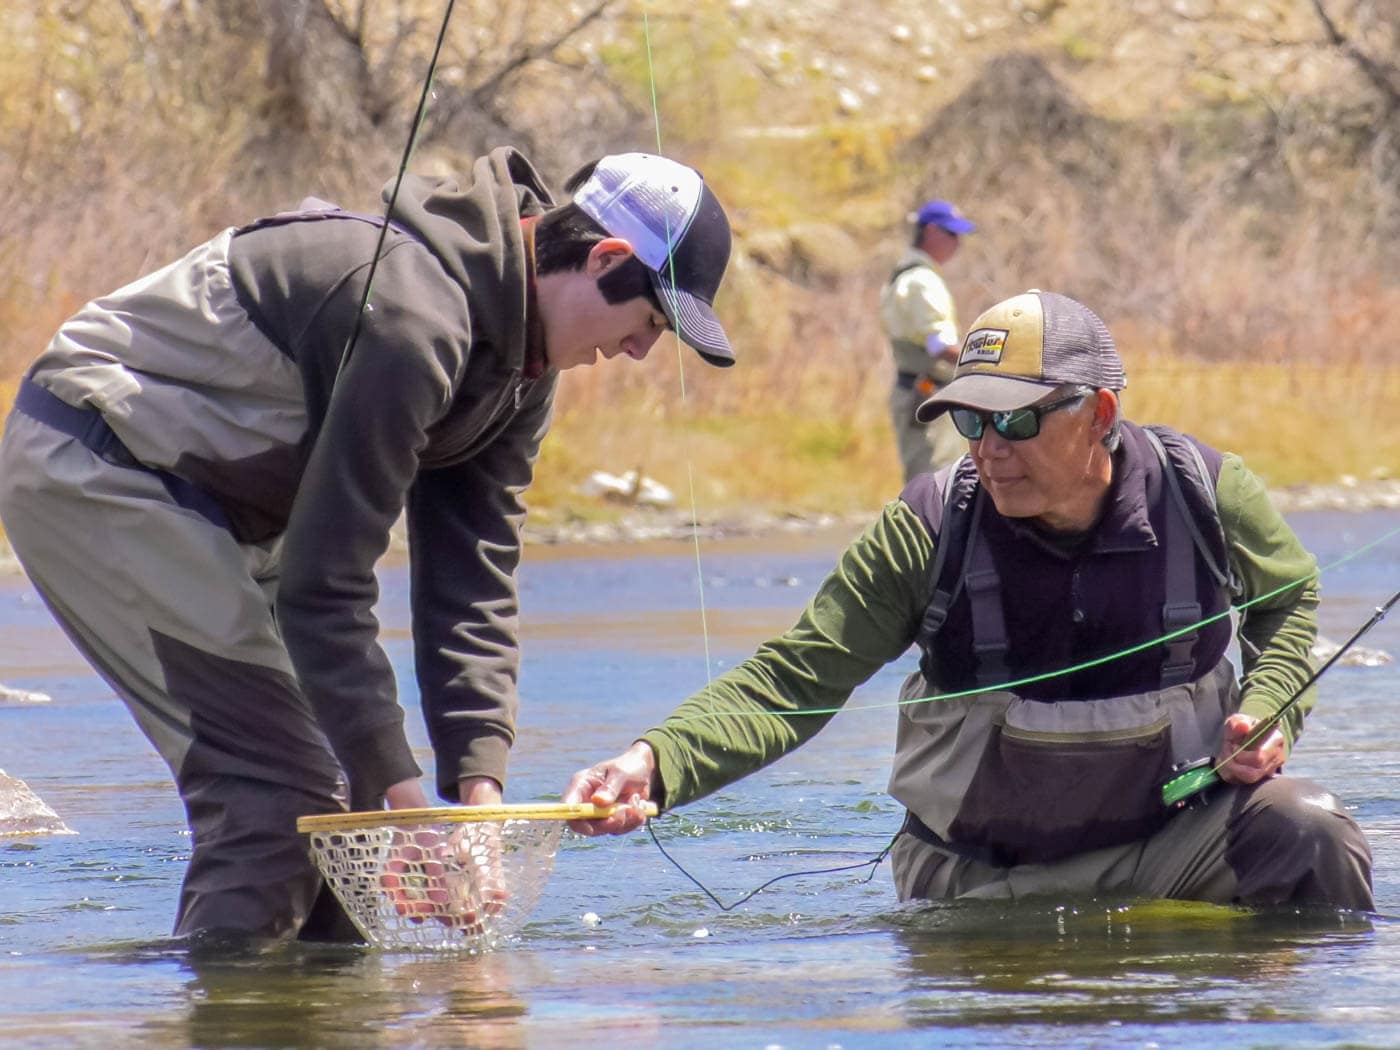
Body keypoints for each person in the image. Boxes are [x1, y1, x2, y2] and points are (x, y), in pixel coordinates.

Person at [0, 147, 736, 943]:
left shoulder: (523, 367)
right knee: (279, 797)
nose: (638, 353)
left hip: (223, 510)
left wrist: (474, 805)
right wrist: (410, 806)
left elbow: (473, 583)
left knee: (348, 821)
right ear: (606, 258)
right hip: (100, 465)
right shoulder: (412, 318)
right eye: (650, 324)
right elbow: (326, 589)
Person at [565, 289, 1374, 912]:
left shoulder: (1206, 493)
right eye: (969, 422)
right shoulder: (927, 527)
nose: (989, 450)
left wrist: (1270, 710)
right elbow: (796, 680)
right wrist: (653, 763)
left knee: (1311, 833)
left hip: (1172, 847)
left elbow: (1289, 601)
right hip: (975, 880)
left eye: (1015, 421)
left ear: (1098, 414)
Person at [879, 198, 975, 482]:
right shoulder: (923, 281)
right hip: (928, 394)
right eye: (952, 234)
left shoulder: (905, 273)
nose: (958, 243)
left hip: (918, 391)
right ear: (931, 231)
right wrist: (989, 366)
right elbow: (941, 346)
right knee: (936, 486)